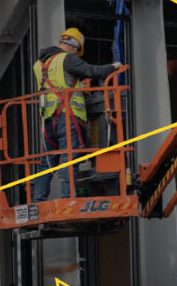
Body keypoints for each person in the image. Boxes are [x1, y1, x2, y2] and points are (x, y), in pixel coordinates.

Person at [32, 27, 122, 201]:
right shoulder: (68, 59)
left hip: (48, 119)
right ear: (74, 46)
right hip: (67, 116)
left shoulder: (39, 64)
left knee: (48, 162)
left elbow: (59, 84)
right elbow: (93, 71)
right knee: (69, 157)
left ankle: (39, 199)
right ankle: (67, 199)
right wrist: (113, 67)